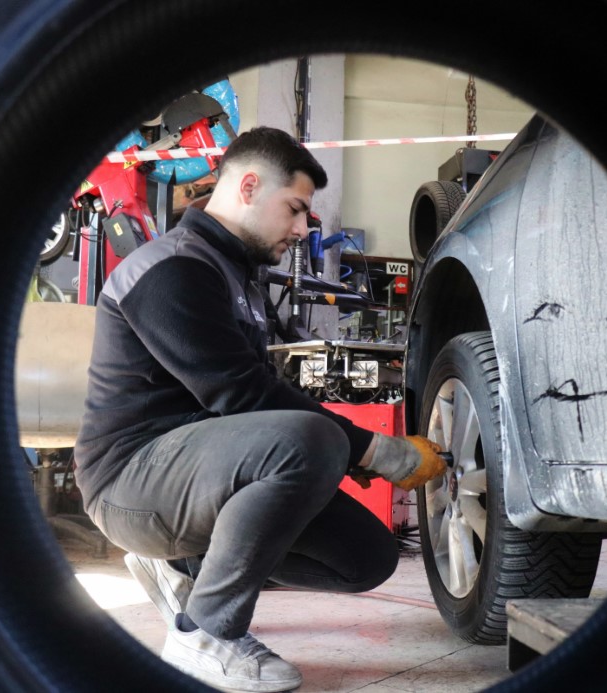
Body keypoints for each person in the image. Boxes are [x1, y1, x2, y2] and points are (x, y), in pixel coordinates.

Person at [73, 125, 446, 693]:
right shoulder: (173, 266)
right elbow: (241, 394)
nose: (301, 230)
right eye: (294, 209)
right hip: (130, 480)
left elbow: (257, 401)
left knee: (365, 557)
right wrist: (378, 451)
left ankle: (181, 567)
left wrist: (351, 454)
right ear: (248, 187)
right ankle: (206, 634)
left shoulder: (236, 275)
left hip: (201, 472)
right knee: (311, 439)